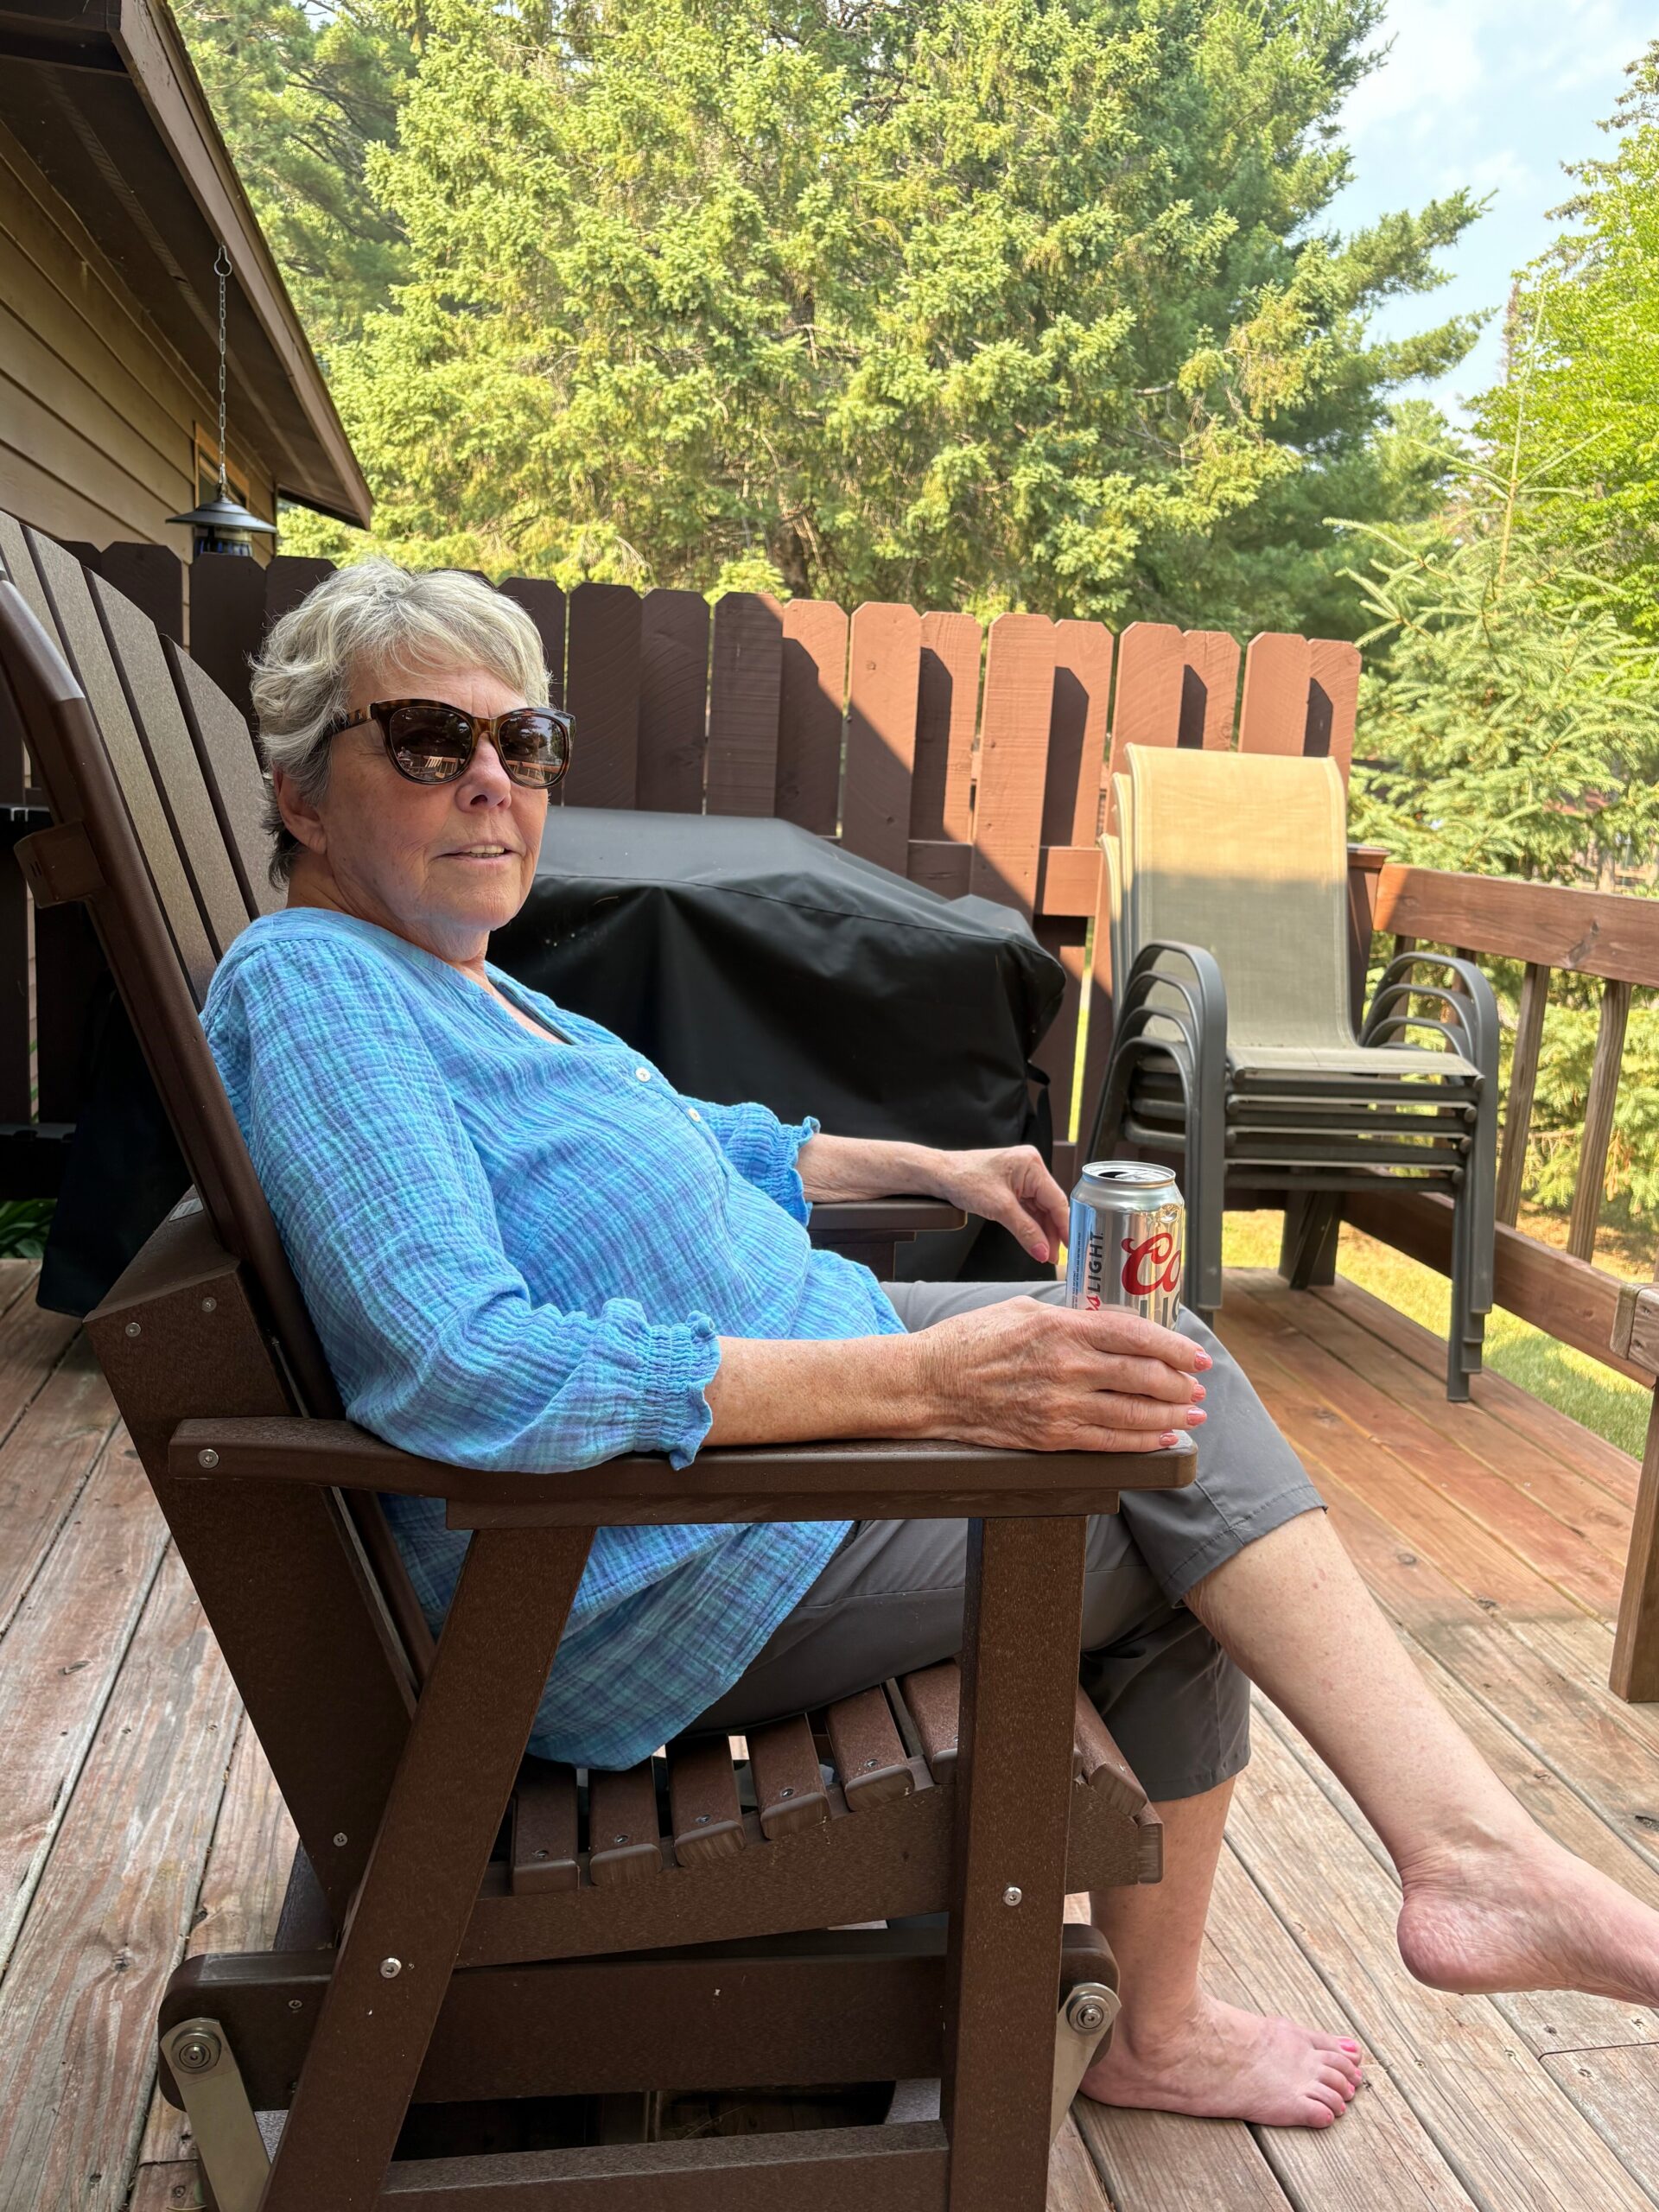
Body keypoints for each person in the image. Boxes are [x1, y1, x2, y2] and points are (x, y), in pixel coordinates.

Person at [204, 562, 1659, 2137]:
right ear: (302, 793)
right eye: (429, 740)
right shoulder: (317, 989)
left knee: (1152, 1375)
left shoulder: (457, 984)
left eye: (524, 740)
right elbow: (464, 1367)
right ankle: (1373, 1912)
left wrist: (926, 1167)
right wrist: (931, 1383)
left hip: (759, 1440)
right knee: (1174, 1476)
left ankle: (1421, 1882)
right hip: (637, 1563)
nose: (493, 779)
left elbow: (683, 1141)